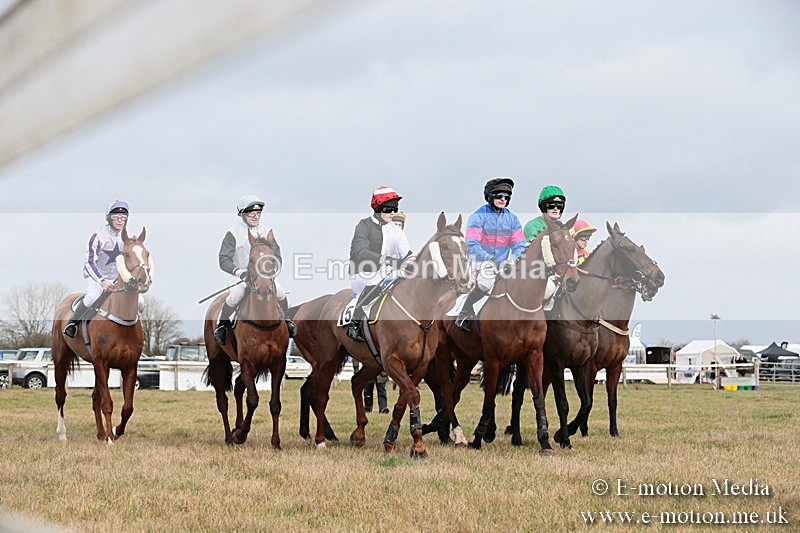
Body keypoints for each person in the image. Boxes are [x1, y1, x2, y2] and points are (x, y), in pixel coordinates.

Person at [213, 194, 296, 345]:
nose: (256, 216)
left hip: (263, 276)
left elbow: (277, 256)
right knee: (237, 294)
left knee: (280, 291)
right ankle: (222, 325)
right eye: (252, 213)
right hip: (240, 275)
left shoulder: (266, 231)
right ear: (243, 214)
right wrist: (239, 272)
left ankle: (286, 320)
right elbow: (223, 259)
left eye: (258, 213)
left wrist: (270, 272)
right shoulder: (233, 233)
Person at [456, 178, 526, 332]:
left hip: (503, 264)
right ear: (490, 196)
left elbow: (519, 244)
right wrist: (491, 258)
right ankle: (464, 312)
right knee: (487, 281)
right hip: (480, 261)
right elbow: (472, 246)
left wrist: (519, 258)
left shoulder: (513, 219)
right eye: (499, 195)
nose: (503, 199)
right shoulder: (478, 216)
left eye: (506, 197)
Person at [64, 200, 140, 338]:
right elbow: (89, 263)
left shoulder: (129, 235)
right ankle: (72, 323)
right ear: (109, 218)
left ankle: (137, 330)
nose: (119, 220)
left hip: (119, 278)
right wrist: (102, 281)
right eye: (116, 217)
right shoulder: (98, 236)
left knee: (140, 302)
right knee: (92, 298)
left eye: (123, 218)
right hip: (97, 277)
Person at [347, 186, 412, 342]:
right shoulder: (363, 226)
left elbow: (408, 253)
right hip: (362, 274)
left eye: (395, 209)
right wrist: (388, 261)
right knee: (376, 278)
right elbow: (361, 252)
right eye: (389, 209)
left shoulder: (396, 230)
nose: (392, 213)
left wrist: (413, 265)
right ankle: (354, 323)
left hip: (387, 273)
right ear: (378, 208)